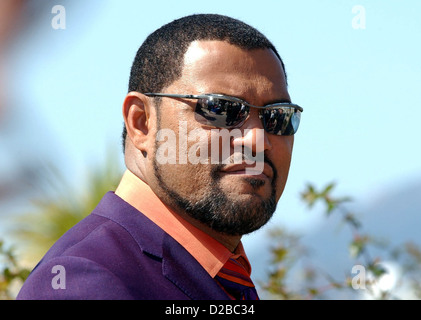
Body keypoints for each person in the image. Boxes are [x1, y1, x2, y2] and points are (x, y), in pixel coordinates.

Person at [17, 13, 303, 300]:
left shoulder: (220, 276)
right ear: (141, 123)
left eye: (278, 117)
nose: (257, 140)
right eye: (221, 109)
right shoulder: (85, 281)